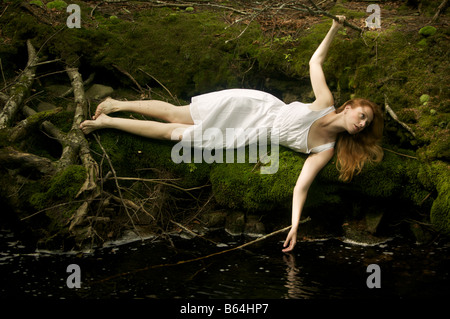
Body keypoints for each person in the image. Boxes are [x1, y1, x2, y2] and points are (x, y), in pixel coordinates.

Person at [79, 16, 383, 253]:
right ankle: (118, 104)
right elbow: (314, 62)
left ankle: (108, 122)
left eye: (366, 124)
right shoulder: (324, 103)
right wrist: (333, 27)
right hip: (250, 104)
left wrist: (293, 225)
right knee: (176, 113)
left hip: (248, 134)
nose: (361, 123)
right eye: (362, 115)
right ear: (348, 107)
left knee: (175, 135)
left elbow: (301, 187)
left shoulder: (325, 148)